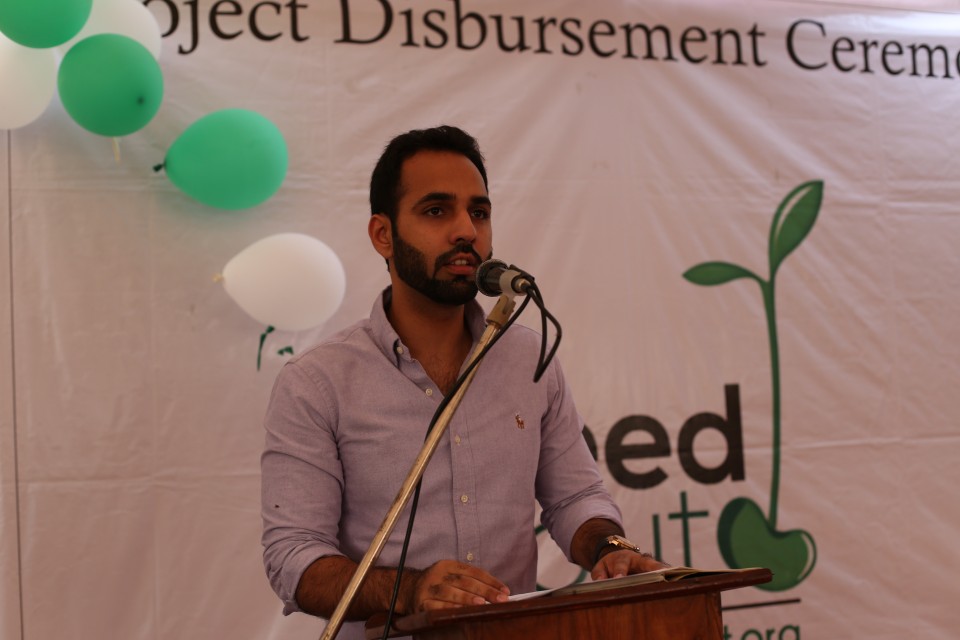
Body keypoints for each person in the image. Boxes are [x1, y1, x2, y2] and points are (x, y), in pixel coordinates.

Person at [260, 125, 664, 638]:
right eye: (436, 211)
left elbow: (574, 498)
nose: (466, 232)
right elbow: (294, 557)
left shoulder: (527, 356)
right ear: (383, 235)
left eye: (479, 212)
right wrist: (409, 590)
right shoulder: (317, 382)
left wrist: (611, 550)